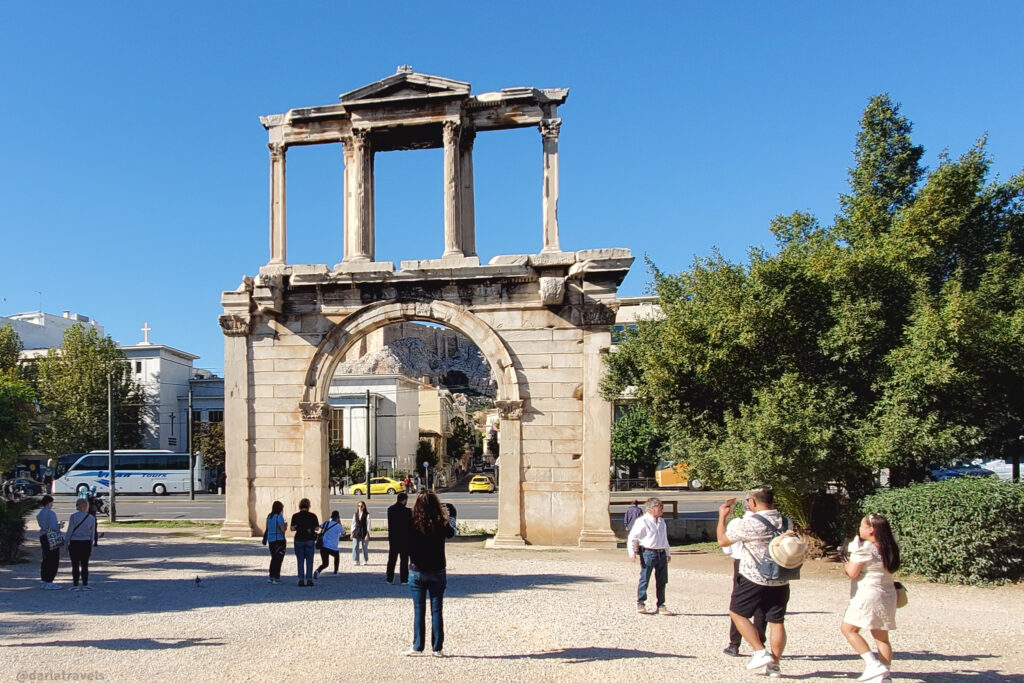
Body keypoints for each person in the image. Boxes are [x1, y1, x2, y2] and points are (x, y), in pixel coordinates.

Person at [716, 486, 792, 678]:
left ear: (754, 502)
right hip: (780, 577)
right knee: (776, 621)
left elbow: (723, 541)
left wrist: (722, 517)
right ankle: (775, 664)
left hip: (754, 576)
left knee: (737, 612)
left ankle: (759, 651)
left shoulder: (751, 523)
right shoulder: (786, 521)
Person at [841, 513, 901, 682]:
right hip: (887, 593)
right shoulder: (890, 546)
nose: (860, 529)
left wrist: (847, 562)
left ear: (871, 530)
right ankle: (885, 674)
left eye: (862, 526)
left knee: (849, 629)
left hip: (868, 593)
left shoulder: (866, 548)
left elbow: (852, 572)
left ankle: (872, 664)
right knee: (882, 637)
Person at [405, 490, 456, 656]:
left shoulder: (411, 521)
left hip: (417, 569)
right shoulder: (440, 522)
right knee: (436, 610)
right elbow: (452, 533)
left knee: (419, 609)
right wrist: (452, 517)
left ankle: (417, 646)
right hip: (437, 569)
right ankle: (437, 648)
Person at [722, 502, 767, 656]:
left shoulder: (737, 523)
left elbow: (726, 547)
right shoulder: (770, 522)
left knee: (738, 605)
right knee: (762, 606)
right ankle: (760, 643)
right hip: (763, 563)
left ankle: (734, 644)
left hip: (742, 562)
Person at [626, 497, 672, 615]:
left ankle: (661, 604)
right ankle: (641, 603)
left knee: (662, 580)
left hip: (661, 552)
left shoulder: (662, 521)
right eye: (660, 507)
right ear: (652, 508)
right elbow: (633, 537)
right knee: (645, 578)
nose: (662, 509)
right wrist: (631, 552)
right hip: (648, 552)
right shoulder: (642, 521)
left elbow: (664, 538)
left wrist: (667, 552)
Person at [66, 497, 97, 591]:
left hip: (75, 542)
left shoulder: (73, 516)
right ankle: (85, 583)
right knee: (85, 564)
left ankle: (75, 584)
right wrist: (92, 546)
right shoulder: (91, 518)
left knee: (75, 564)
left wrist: (66, 542)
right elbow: (92, 534)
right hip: (86, 542)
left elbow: (70, 531)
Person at [36, 495, 63, 590]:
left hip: (43, 535)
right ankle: (50, 579)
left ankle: (44, 579)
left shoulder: (40, 514)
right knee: (53, 559)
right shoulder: (51, 513)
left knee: (46, 558)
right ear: (49, 503)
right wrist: (60, 526)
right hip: (51, 536)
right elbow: (53, 526)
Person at [290, 498, 319, 586]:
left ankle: (301, 579)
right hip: (309, 539)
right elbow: (317, 528)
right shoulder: (313, 516)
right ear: (308, 506)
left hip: (299, 539)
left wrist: (297, 527)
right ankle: (309, 579)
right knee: (310, 560)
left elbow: (292, 529)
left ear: (300, 506)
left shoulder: (295, 516)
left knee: (300, 561)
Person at [386, 492, 412, 585]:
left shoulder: (390, 510)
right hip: (404, 538)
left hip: (393, 538)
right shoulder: (407, 511)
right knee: (404, 560)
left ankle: (389, 578)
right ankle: (404, 579)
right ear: (404, 500)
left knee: (392, 559)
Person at [314, 510, 345, 579]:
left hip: (324, 546)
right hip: (333, 547)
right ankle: (336, 571)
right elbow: (344, 533)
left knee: (325, 563)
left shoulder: (326, 523)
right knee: (336, 557)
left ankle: (318, 571)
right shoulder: (338, 526)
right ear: (338, 518)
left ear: (331, 517)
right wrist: (340, 523)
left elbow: (318, 527)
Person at [265, 501, 287, 584]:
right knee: (279, 559)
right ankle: (276, 576)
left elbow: (267, 528)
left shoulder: (269, 516)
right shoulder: (279, 516)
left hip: (271, 540)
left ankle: (271, 576)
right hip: (279, 539)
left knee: (273, 558)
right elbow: (282, 529)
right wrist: (286, 525)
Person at [351, 500, 370, 565]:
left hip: (364, 531)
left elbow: (368, 525)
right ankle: (356, 560)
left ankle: (365, 560)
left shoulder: (367, 515)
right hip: (356, 531)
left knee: (364, 547)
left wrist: (367, 534)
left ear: (364, 507)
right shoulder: (355, 514)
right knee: (355, 546)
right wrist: (352, 533)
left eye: (361, 506)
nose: (360, 507)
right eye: (358, 506)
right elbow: (353, 523)